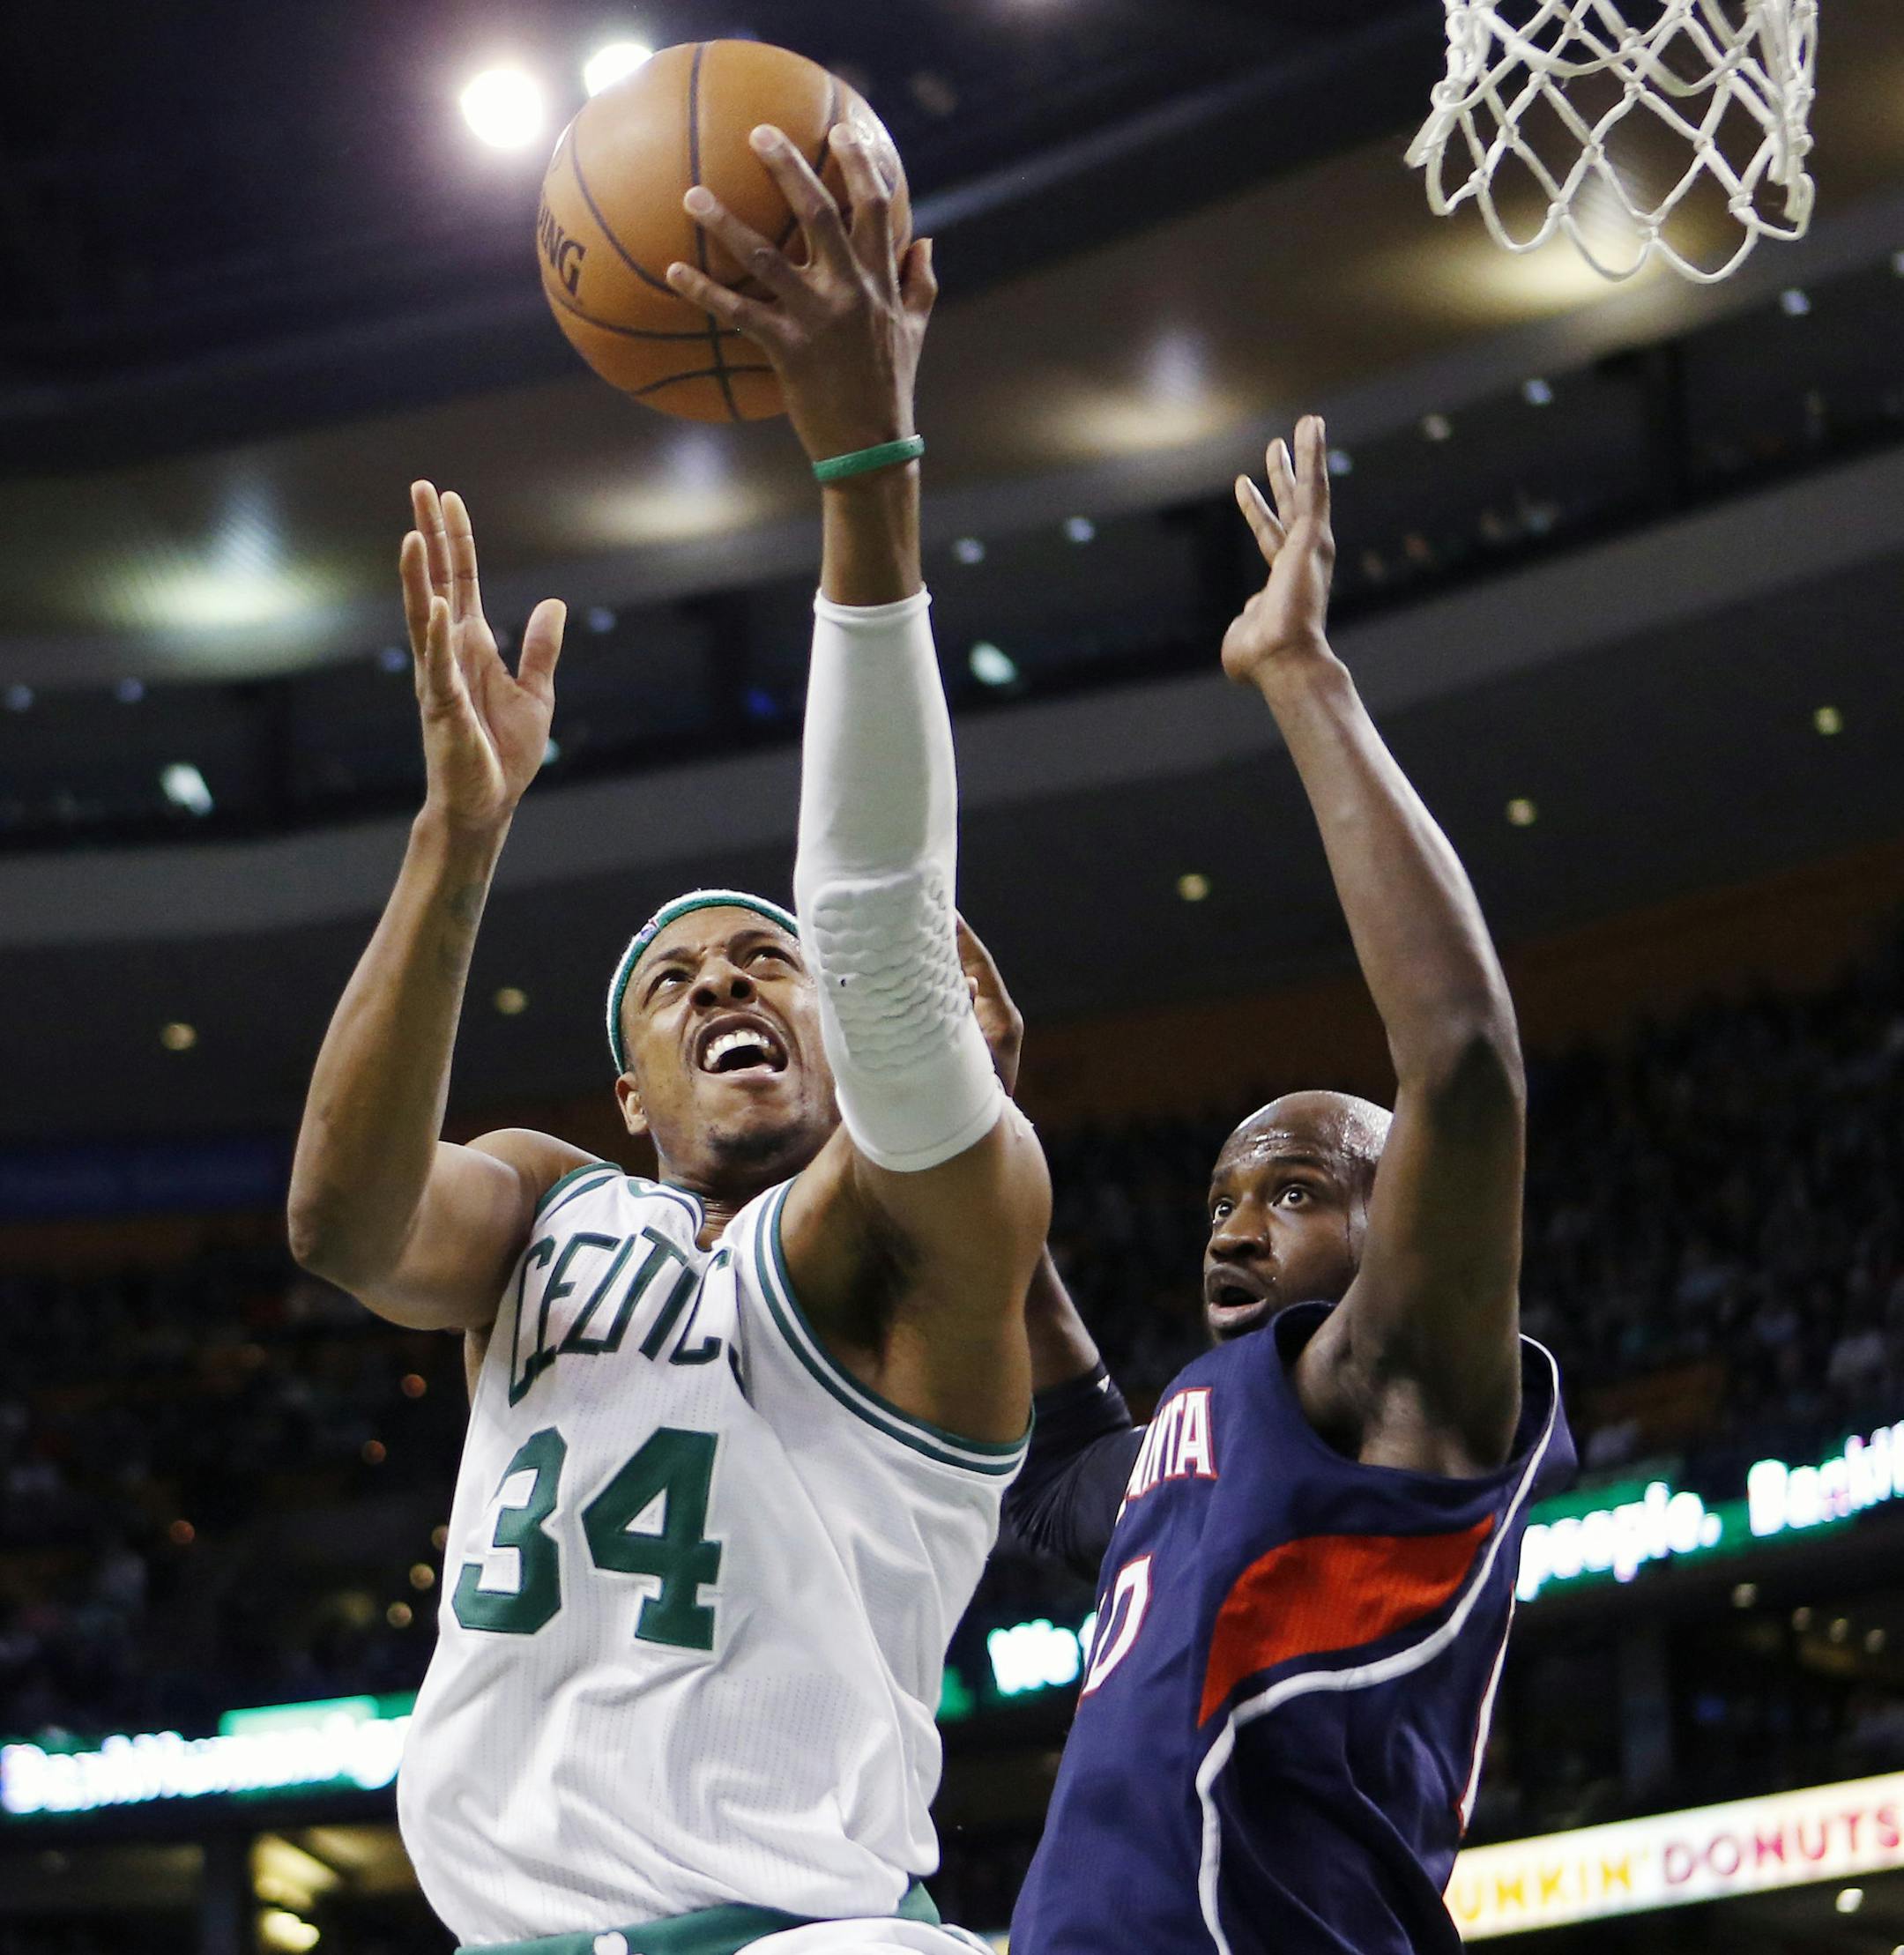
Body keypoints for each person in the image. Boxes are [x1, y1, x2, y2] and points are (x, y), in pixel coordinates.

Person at [286, 119, 1050, 1955]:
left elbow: (870, 923)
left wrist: (866, 463)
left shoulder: (923, 1246)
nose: (727, 979)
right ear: (626, 1091)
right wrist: (455, 837)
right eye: (676, 975)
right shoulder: (553, 1211)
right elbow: (343, 1223)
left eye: (762, 964)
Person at [1000, 417, 1576, 1955]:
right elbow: (1068, 1440)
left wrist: (1303, 676)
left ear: (1403, 1222)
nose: (1238, 1226)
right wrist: (972, 1119)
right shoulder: (1197, 1441)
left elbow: (1460, 1061)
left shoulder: (1409, 1387)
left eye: (1299, 1188)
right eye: (1218, 1204)